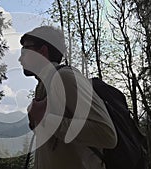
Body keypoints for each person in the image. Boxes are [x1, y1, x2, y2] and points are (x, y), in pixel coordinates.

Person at [18, 26, 117, 169]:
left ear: (42, 51)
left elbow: (107, 134)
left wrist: (46, 119)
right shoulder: (44, 86)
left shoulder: (65, 78)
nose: (20, 58)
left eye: (25, 50)